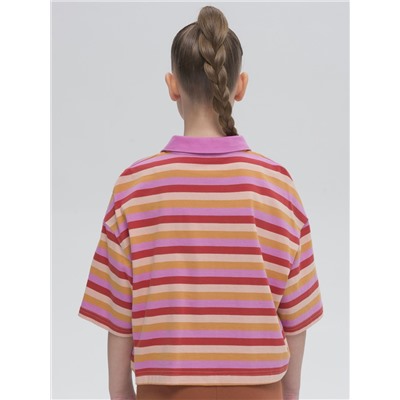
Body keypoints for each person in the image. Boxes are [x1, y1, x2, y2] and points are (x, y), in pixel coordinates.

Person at [78, 5, 323, 400]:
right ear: (240, 86)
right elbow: (296, 320)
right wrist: (289, 393)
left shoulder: (134, 188)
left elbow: (119, 324)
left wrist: (122, 394)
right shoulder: (278, 187)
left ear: (172, 85)